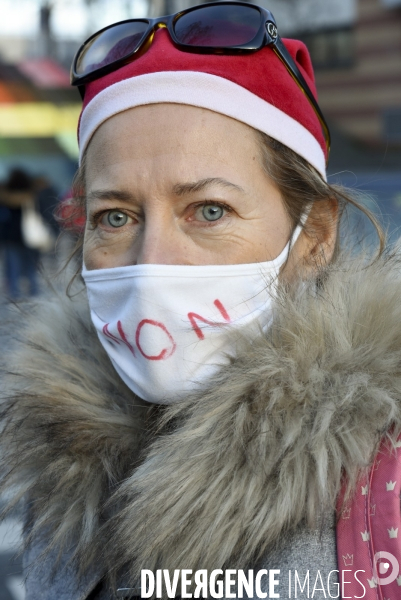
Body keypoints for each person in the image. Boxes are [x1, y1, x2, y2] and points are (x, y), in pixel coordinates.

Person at [1, 3, 400, 599]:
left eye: (209, 211)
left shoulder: (382, 485)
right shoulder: (58, 471)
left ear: (314, 236)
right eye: (115, 216)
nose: (151, 260)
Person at [0, 168, 40, 299]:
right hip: (30, 236)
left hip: (11, 237)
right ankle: (34, 293)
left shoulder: (5, 197)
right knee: (31, 267)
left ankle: (14, 296)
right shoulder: (32, 196)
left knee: (13, 268)